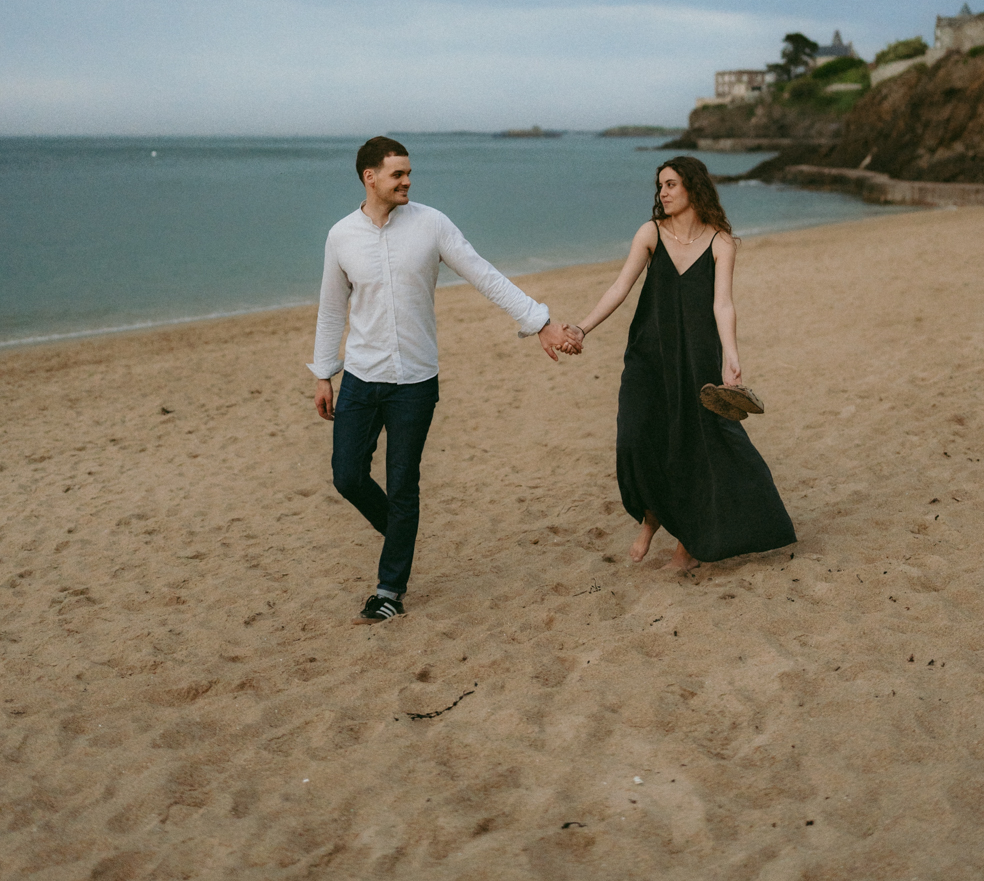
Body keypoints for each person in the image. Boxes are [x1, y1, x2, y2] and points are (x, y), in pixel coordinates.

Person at [310, 136, 578, 623]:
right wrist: (323, 373)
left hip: (415, 381)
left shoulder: (431, 224)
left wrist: (539, 321)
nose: (407, 181)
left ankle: (389, 591)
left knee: (403, 485)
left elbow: (484, 275)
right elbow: (331, 309)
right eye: (397, 174)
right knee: (347, 476)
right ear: (370, 177)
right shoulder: (341, 236)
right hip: (361, 378)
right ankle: (401, 534)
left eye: (408, 173)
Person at [564, 157, 795, 570]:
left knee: (695, 446)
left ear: (693, 186)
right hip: (648, 356)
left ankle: (686, 544)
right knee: (634, 437)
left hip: (697, 358)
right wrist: (582, 328)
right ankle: (652, 516)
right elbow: (620, 287)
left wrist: (732, 357)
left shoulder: (721, 243)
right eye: (660, 186)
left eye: (670, 184)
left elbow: (723, 304)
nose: (663, 193)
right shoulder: (650, 233)